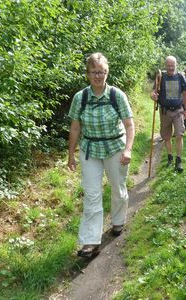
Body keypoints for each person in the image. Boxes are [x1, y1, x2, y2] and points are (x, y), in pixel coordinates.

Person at [67, 52, 135, 258]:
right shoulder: (81, 97)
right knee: (92, 194)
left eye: (101, 72)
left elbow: (129, 125)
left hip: (115, 148)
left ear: (107, 73)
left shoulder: (117, 95)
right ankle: (90, 242)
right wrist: (71, 154)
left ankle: (118, 220)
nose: (98, 76)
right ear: (87, 74)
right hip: (90, 151)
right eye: (94, 72)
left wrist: (128, 149)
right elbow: (75, 128)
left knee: (118, 188)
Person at [150, 56, 186, 172]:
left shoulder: (180, 77)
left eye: (173, 66)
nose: (171, 68)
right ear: (165, 66)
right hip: (164, 112)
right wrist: (153, 96)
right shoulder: (160, 76)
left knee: (179, 134)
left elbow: (185, 94)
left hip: (178, 110)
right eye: (169, 66)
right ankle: (170, 157)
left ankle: (179, 160)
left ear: (176, 65)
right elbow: (153, 91)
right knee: (166, 136)